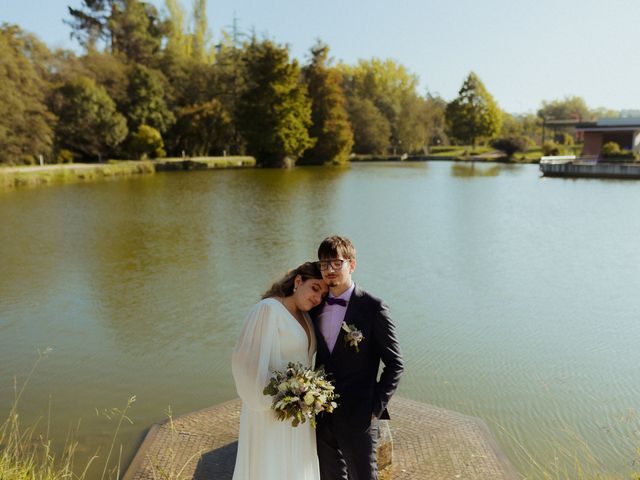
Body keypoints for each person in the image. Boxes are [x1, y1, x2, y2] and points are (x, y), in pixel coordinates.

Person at [311, 235, 404, 480]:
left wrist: (375, 408)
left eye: (336, 263)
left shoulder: (373, 307)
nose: (329, 270)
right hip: (322, 415)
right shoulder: (315, 306)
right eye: (323, 264)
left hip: (359, 417)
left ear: (351, 264)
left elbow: (395, 364)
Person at [231, 261, 329, 480]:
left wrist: (305, 395)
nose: (317, 298)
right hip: (271, 413)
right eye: (315, 288)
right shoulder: (268, 309)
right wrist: (281, 398)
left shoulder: (306, 318)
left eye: (322, 294)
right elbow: (245, 365)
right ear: (298, 281)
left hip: (299, 412)